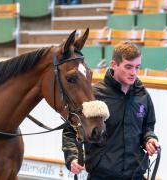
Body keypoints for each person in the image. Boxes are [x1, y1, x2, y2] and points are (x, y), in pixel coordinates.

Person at [62, 41, 160, 180]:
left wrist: (149, 139)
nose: (134, 73)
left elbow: (147, 128)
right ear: (114, 65)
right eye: (128, 67)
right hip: (101, 176)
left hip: (136, 174)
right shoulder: (94, 95)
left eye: (137, 67)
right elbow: (71, 131)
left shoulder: (143, 95)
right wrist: (72, 157)